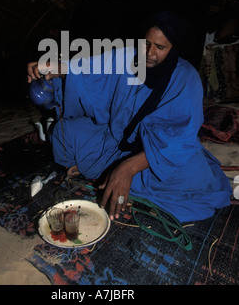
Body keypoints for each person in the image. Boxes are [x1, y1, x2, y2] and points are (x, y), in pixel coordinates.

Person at [27, 11, 232, 223]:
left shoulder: (185, 79)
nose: (149, 53)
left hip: (154, 159)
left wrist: (128, 167)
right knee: (63, 134)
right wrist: (56, 69)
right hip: (115, 141)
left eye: (160, 47)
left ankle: (111, 172)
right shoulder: (128, 56)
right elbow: (90, 69)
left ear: (174, 48)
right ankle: (107, 171)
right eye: (146, 43)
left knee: (196, 184)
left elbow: (179, 140)